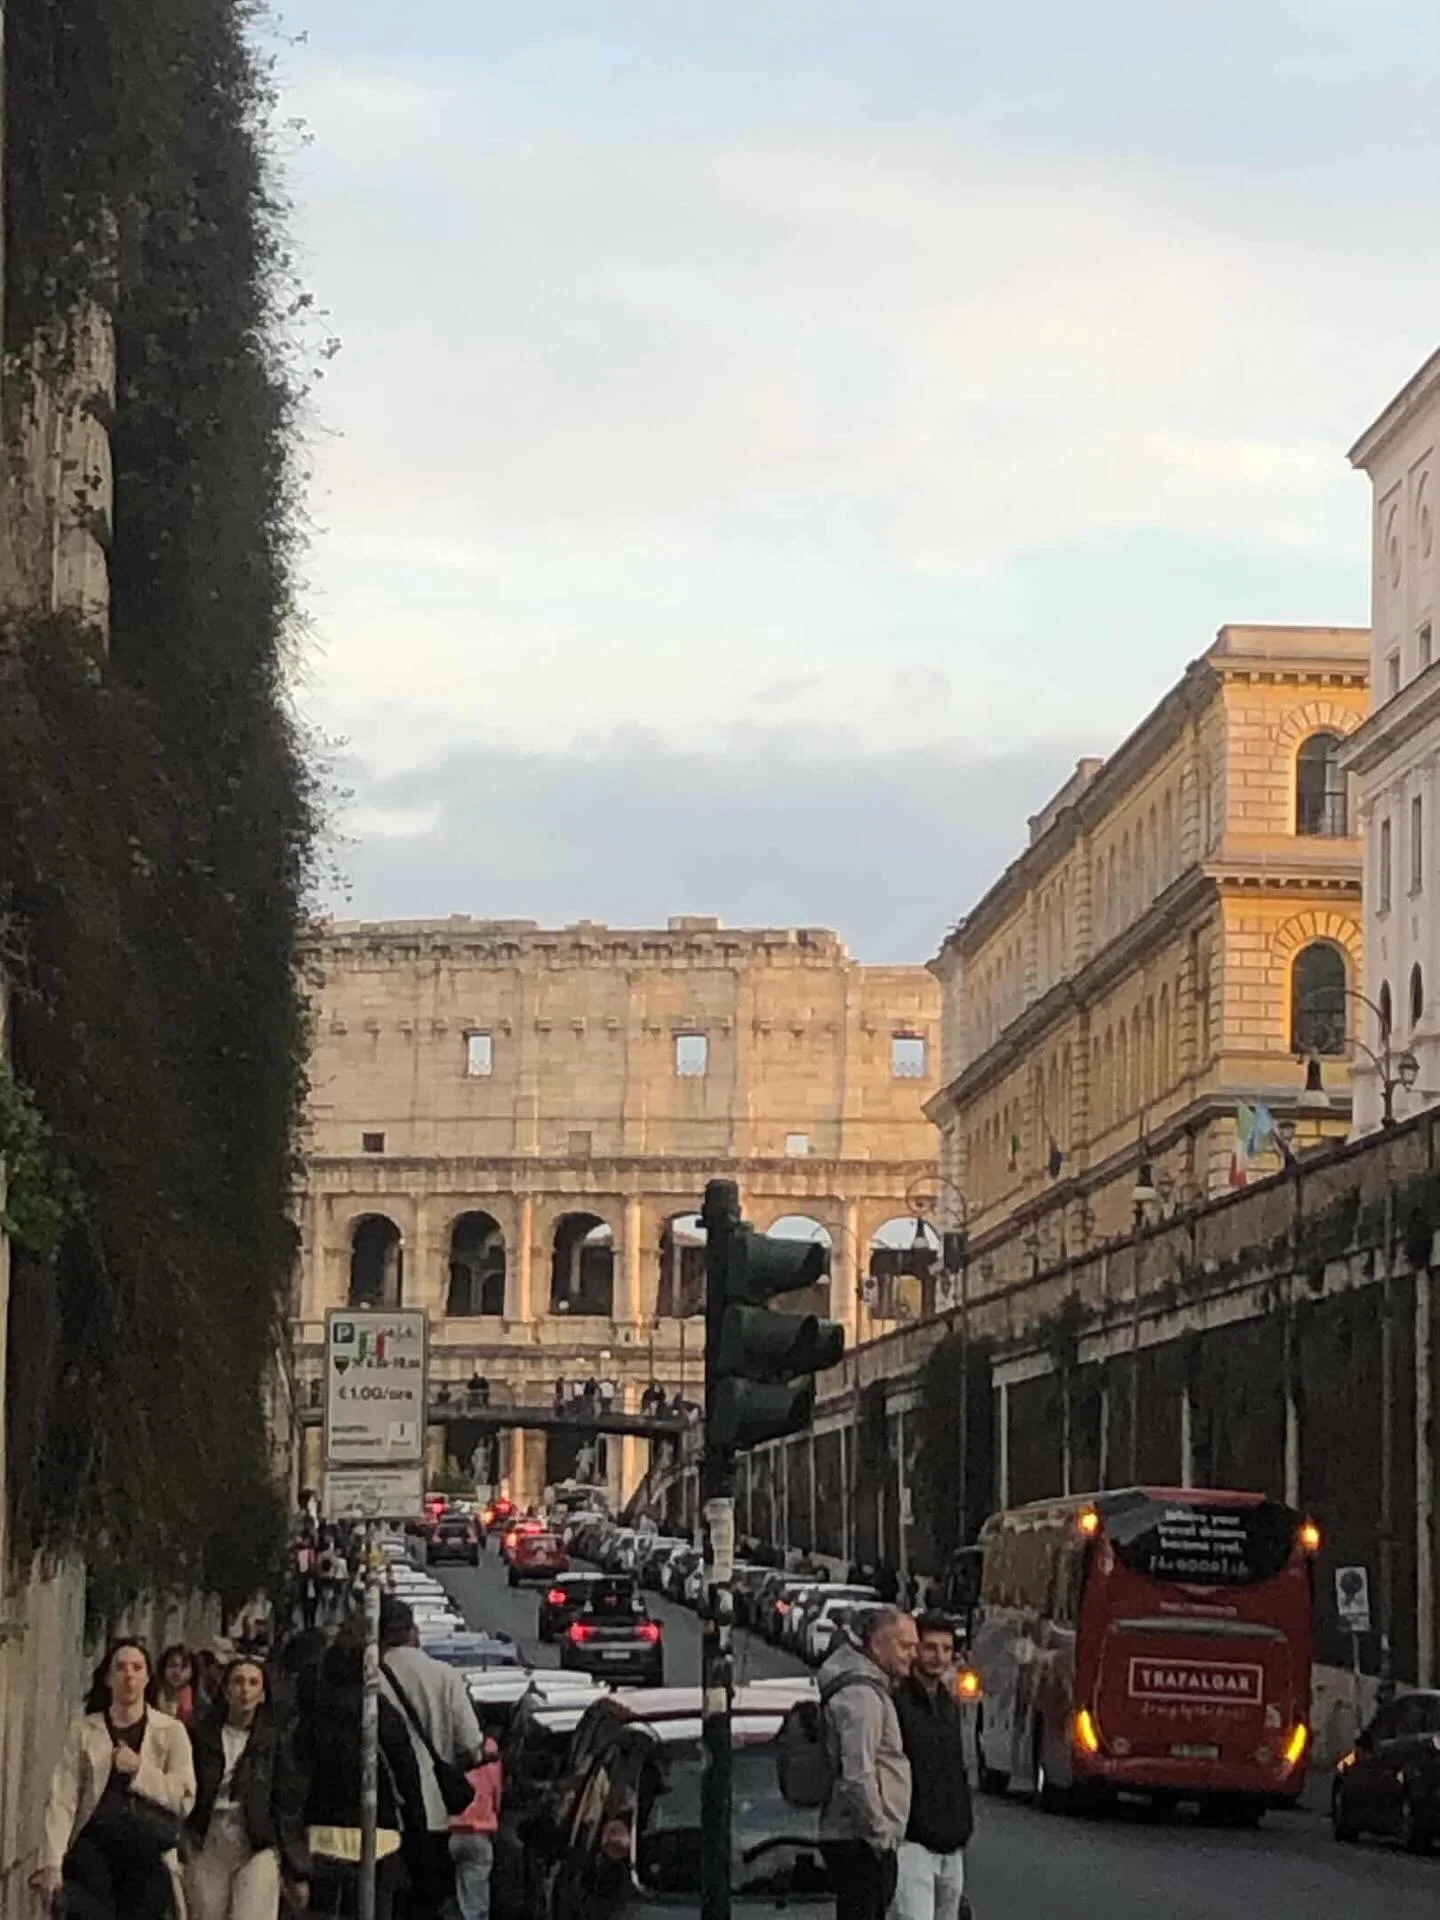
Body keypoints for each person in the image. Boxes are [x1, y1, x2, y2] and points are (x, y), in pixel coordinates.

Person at [36, 1638, 197, 1920]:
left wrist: (140, 1771)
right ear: (109, 1678)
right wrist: (52, 1863)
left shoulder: (170, 1731)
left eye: (137, 1668)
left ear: (147, 1678)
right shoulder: (84, 1729)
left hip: (147, 1852)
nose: (129, 1675)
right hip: (92, 1852)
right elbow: (63, 1797)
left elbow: (183, 1798)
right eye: (121, 1668)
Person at [296, 1635, 426, 1920]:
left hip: (321, 1837)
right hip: (380, 1839)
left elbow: (295, 1780)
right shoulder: (384, 1715)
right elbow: (407, 1778)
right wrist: (418, 1836)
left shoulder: (311, 1716)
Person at [378, 1597, 483, 1920]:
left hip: (382, 1815)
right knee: (425, 1903)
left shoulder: (369, 1679)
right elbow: (470, 1745)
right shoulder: (444, 1677)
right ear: (413, 1631)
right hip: (432, 1812)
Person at [185, 1658, 309, 1920]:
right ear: (226, 1690)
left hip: (256, 1841)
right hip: (208, 1838)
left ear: (263, 1694)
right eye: (238, 1682)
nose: (245, 1689)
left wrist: (296, 1868)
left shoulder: (274, 1740)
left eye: (253, 1683)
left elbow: (287, 1804)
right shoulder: (201, 1734)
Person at [817, 1606, 916, 1920]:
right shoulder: (862, 1695)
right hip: (859, 1842)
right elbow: (858, 1773)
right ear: (876, 1644)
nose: (912, 1655)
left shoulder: (868, 1689)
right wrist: (881, 1835)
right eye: (904, 1646)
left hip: (857, 1839)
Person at [892, 1614, 973, 1920]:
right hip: (912, 1843)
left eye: (946, 1649)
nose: (939, 1657)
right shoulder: (896, 1701)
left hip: (952, 1844)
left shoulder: (948, 1704)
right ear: (915, 1649)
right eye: (930, 1648)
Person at [448, 1733, 502, 1920]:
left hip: (449, 1830)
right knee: (476, 1899)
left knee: (449, 1897)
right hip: (480, 1832)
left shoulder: (446, 1742)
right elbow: (497, 1798)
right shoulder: (490, 1750)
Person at [149, 1646, 199, 1729]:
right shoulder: (150, 1695)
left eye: (184, 1667)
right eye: (172, 1665)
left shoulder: (200, 1702)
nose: (177, 1672)